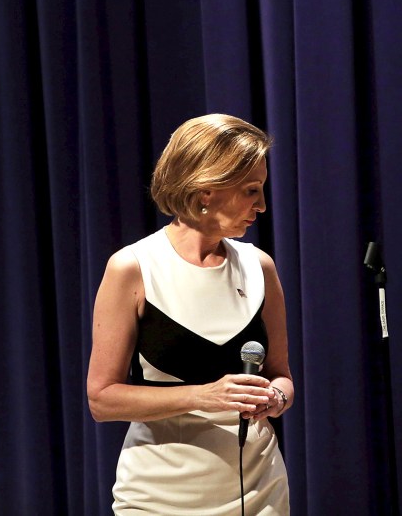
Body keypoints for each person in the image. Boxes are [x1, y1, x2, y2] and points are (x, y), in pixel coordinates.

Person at [87, 114, 294, 515]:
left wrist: (276, 398)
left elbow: (281, 373)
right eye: (252, 191)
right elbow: (102, 400)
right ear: (205, 192)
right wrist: (205, 395)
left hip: (259, 488)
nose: (263, 206)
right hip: (161, 494)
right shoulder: (133, 267)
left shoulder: (259, 266)